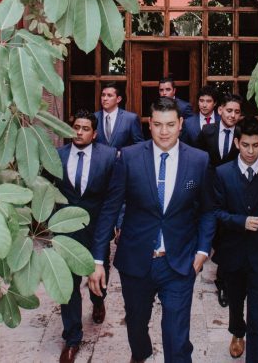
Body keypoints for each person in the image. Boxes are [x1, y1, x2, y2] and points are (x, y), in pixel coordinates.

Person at [89, 97, 216, 363]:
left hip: (179, 263)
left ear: (181, 124)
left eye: (170, 124)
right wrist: (98, 260)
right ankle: (141, 353)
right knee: (136, 325)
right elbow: (109, 210)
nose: (164, 131)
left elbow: (207, 210)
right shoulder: (129, 158)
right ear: (149, 124)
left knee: (177, 338)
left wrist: (202, 251)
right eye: (158, 124)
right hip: (136, 261)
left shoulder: (199, 161)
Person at [211, 117, 258, 361]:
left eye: (255, 145)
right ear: (237, 143)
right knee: (235, 304)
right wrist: (240, 221)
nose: (251, 151)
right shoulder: (222, 174)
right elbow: (216, 213)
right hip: (232, 255)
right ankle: (237, 331)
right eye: (246, 145)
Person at [48, 110, 120, 363]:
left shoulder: (109, 157)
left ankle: (98, 301)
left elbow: (114, 198)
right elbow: (47, 190)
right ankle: (72, 338)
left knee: (98, 276)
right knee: (66, 285)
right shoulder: (57, 157)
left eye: (85, 128)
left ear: (95, 133)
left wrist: (113, 226)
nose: (79, 132)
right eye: (76, 127)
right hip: (64, 231)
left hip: (96, 230)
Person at [194, 92, 244, 307]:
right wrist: (191, 188)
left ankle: (223, 283)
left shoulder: (242, 134)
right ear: (220, 110)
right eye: (229, 110)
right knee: (210, 234)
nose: (232, 115)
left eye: (237, 112)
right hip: (208, 193)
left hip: (232, 196)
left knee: (227, 241)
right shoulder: (208, 131)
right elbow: (196, 159)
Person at [95, 82, 144, 149]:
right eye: (103, 95)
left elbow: (140, 145)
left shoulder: (131, 119)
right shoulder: (94, 117)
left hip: (123, 159)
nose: (105, 98)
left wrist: (123, 154)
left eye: (109, 95)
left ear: (118, 99)